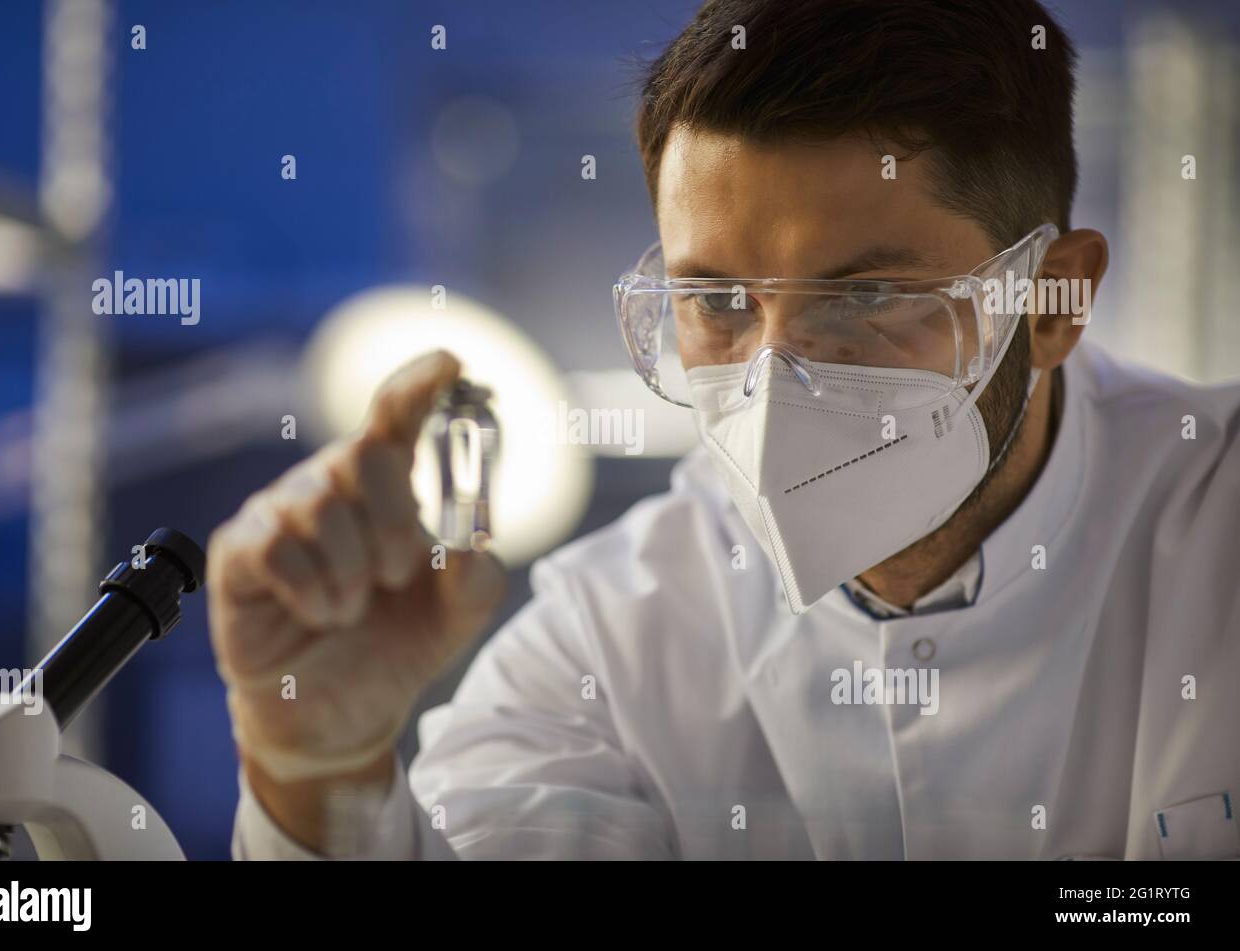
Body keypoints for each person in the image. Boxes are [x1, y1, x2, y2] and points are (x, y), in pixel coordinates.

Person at [211, 0, 1240, 860]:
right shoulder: (613, 634)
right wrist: (319, 774)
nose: (775, 381)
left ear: (1054, 300)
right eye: (716, 302)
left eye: (869, 292)